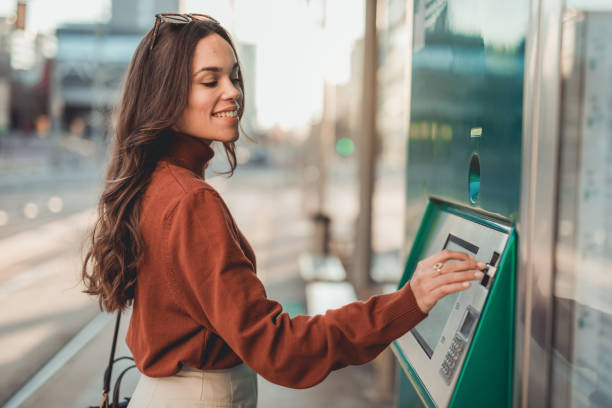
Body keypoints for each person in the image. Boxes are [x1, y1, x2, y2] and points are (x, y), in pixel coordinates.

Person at [81, 13, 486, 408]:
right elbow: (280, 349)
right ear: (165, 97)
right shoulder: (191, 202)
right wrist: (407, 302)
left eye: (234, 77)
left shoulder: (154, 184)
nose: (233, 91)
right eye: (210, 80)